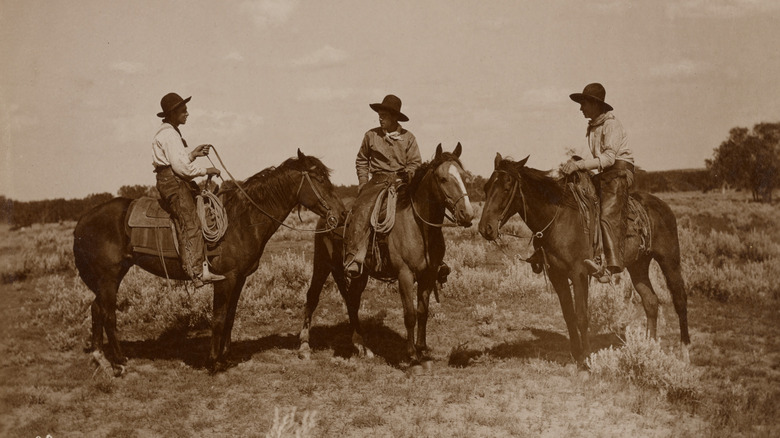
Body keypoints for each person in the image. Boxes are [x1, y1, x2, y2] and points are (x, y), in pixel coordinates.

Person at [561, 83, 634, 283]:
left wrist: (580, 165)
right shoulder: (594, 126)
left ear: (594, 104)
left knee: (606, 215)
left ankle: (609, 266)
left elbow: (610, 158)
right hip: (605, 174)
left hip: (620, 172)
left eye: (583, 103)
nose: (580, 108)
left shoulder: (611, 124)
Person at [343, 94, 422, 278]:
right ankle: (354, 257)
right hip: (376, 182)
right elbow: (362, 160)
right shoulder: (371, 136)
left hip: (402, 182)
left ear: (394, 117)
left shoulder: (408, 138)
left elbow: (415, 163)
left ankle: (432, 260)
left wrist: (408, 175)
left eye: (384, 115)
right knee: (362, 210)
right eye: (379, 114)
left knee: (421, 209)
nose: (380, 118)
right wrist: (363, 182)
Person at [152, 92, 225, 288]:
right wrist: (206, 170)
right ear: (173, 113)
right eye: (183, 110)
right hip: (173, 182)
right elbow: (181, 169)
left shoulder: (171, 133)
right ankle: (197, 272)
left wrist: (192, 154)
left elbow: (181, 161)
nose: (187, 113)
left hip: (173, 179)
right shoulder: (169, 135)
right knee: (190, 220)